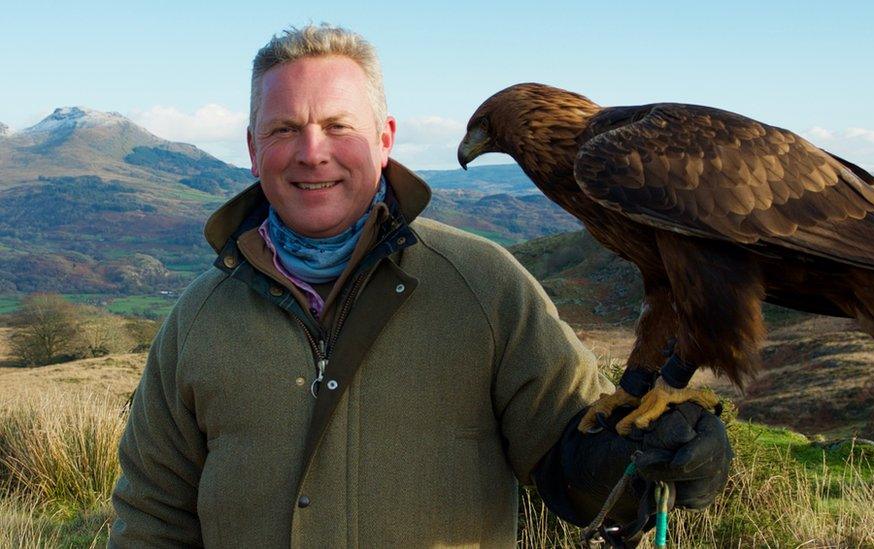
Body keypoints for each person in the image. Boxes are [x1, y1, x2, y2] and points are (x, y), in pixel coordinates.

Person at [110, 24, 732, 548]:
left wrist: (640, 464)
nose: (311, 152)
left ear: (385, 141)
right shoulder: (198, 320)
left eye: (337, 126)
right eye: (283, 130)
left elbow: (574, 470)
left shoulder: (485, 287)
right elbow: (153, 518)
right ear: (251, 149)